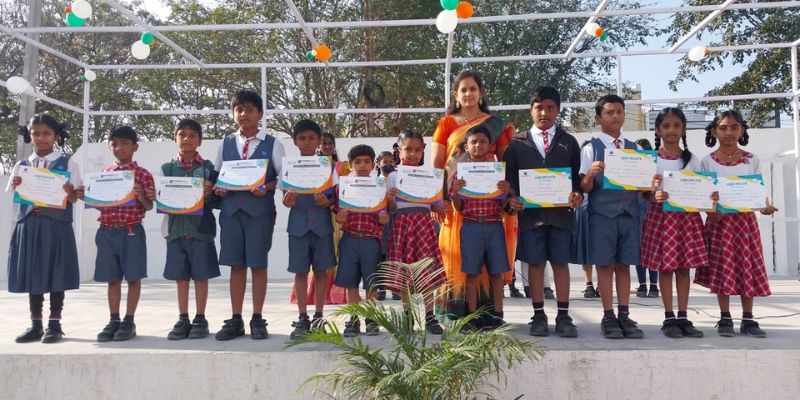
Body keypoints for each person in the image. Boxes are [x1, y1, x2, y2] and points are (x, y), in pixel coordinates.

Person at [431, 70, 517, 319]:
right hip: (457, 202)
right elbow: (437, 165)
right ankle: (455, 312)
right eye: (463, 90)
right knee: (457, 255)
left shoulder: (496, 125)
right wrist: (438, 200)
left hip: (489, 206)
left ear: (481, 93)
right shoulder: (446, 124)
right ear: (456, 95)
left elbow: (506, 164)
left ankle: (489, 312)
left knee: (489, 259)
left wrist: (507, 193)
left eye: (473, 89)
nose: (468, 94)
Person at [505, 86, 582, 338]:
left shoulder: (568, 142)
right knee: (535, 264)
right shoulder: (517, 143)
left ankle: (563, 315)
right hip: (531, 217)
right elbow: (510, 181)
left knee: (560, 263)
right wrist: (512, 199)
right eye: (539, 107)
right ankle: (538, 315)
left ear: (558, 110)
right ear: (531, 110)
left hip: (560, 216)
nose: (544, 113)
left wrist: (577, 194)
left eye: (550, 108)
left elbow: (576, 180)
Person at [695, 110, 777, 337]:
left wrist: (765, 206)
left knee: (746, 266)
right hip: (719, 223)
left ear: (742, 130)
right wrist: (711, 211)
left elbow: (758, 192)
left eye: (734, 127)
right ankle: (725, 318)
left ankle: (748, 319)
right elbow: (704, 196)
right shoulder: (706, 161)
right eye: (723, 128)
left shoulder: (752, 159)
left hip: (745, 223)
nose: (729, 132)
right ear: (714, 131)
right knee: (722, 267)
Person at [213, 90, 284, 341]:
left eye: (250, 109)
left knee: (258, 264)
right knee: (236, 265)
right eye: (239, 109)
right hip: (231, 213)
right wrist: (219, 187)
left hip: (259, 213)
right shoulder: (225, 143)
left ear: (260, 114)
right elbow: (218, 175)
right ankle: (236, 318)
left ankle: (257, 317)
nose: (244, 114)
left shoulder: (273, 143)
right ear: (233, 113)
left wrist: (267, 186)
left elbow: (282, 177)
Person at [77, 125, 155, 342]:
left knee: (133, 277)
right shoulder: (103, 175)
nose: (119, 148)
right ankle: (114, 320)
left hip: (131, 230)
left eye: (125, 143)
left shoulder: (143, 174)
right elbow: (100, 204)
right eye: (115, 144)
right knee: (112, 279)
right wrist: (85, 197)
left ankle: (129, 321)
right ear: (109, 146)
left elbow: (149, 206)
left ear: (135, 147)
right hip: (107, 231)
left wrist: (141, 196)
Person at [8, 114, 81, 344]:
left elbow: (75, 197)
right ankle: (35, 324)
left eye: (47, 133)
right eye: (36, 133)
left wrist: (70, 192)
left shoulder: (68, 164)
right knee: (33, 272)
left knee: (56, 272)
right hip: (29, 225)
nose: (41, 138)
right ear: (29, 136)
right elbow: (15, 194)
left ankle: (55, 325)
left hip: (56, 225)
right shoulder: (22, 165)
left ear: (56, 136)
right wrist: (16, 184)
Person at [579, 94, 644, 339]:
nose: (615, 116)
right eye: (609, 112)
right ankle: (608, 316)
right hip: (601, 216)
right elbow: (584, 188)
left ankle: (624, 314)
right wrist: (590, 175)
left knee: (624, 265)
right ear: (598, 118)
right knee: (605, 266)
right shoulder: (591, 148)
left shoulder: (635, 149)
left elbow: (642, 185)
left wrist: (651, 182)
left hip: (629, 214)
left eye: (619, 111)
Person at [641, 108, 708, 338]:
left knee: (683, 267)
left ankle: (683, 316)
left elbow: (702, 190)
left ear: (684, 129)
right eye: (666, 126)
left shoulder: (693, 160)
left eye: (677, 125)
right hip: (661, 217)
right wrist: (654, 195)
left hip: (687, 219)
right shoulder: (650, 159)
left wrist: (710, 196)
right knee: (665, 267)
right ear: (658, 130)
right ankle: (669, 316)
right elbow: (643, 193)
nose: (672, 130)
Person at [155, 119, 221, 340]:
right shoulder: (166, 168)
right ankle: (182, 317)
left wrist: (210, 192)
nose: (187, 139)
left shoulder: (208, 169)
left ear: (200, 141)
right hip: (175, 230)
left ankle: (200, 318)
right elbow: (162, 200)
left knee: (201, 276)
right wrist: (159, 196)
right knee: (180, 278)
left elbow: (217, 203)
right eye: (182, 134)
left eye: (192, 135)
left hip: (201, 231)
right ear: (175, 139)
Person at [450, 125, 514, 331]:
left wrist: (505, 192)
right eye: (474, 142)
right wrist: (455, 193)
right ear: (466, 147)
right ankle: (472, 315)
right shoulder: (460, 173)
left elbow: (503, 205)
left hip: (494, 225)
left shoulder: (497, 171)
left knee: (496, 273)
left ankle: (498, 314)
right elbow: (459, 208)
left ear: (489, 145)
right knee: (471, 273)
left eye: (483, 141)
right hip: (471, 225)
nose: (478, 145)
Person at [385, 129, 447, 334]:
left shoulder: (430, 175)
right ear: (399, 150)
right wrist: (390, 199)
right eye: (408, 149)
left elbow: (435, 206)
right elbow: (390, 209)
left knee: (426, 272)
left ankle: (429, 316)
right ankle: (407, 315)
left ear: (423, 151)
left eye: (417, 150)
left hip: (423, 226)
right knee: (405, 275)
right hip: (402, 226)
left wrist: (443, 206)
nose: (413, 154)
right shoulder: (393, 176)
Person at [284, 119, 338, 338]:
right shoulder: (289, 167)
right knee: (299, 271)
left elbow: (335, 198)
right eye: (302, 138)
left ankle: (319, 316)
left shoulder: (328, 167)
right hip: (297, 226)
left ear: (318, 141)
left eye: (311, 138)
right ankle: (302, 317)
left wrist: (327, 203)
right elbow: (286, 200)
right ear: (295, 141)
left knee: (321, 271)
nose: (306, 142)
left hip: (321, 225)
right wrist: (288, 201)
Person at [334, 144, 391, 336]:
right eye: (357, 162)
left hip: (371, 241)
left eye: (367, 162)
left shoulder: (380, 188)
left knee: (371, 283)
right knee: (351, 283)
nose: (362, 165)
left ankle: (371, 318)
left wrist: (384, 219)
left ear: (373, 165)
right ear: (350, 165)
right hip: (349, 239)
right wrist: (339, 218)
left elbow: (386, 217)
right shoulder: (342, 188)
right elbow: (337, 215)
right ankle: (353, 318)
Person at [635, 138, 660, 298]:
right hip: (636, 211)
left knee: (652, 248)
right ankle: (643, 284)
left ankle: (653, 285)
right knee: (638, 248)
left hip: (651, 211)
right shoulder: (631, 169)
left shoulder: (657, 169)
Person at [375, 151, 401, 301]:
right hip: (380, 222)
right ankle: (381, 288)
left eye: (391, 162)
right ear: (378, 164)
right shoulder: (375, 182)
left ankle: (396, 288)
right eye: (385, 162)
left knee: (395, 254)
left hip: (395, 220)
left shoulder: (398, 180)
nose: (388, 165)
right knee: (380, 255)